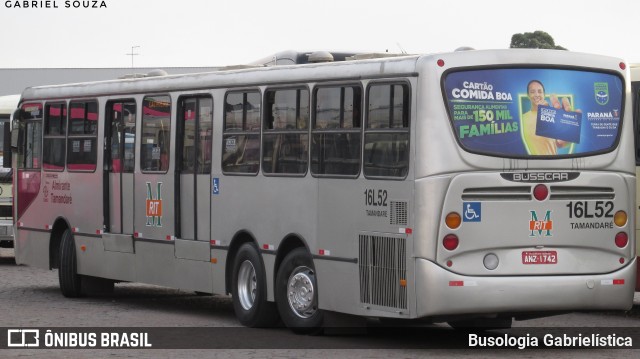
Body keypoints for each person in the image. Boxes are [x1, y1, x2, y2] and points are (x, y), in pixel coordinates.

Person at [521, 80, 579, 155]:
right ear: (528, 95)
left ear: (544, 94)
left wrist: (569, 132)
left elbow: (561, 143)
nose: (536, 94)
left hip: (554, 164)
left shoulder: (554, 116)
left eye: (540, 91)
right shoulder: (522, 119)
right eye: (532, 92)